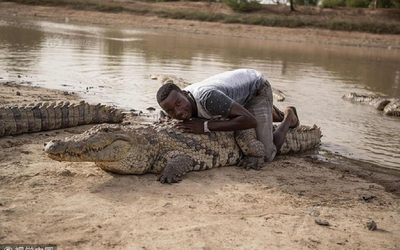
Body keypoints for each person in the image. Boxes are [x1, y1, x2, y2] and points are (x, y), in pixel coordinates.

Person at [156, 69, 299, 163]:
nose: (178, 112)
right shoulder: (174, 99)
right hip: (230, 98)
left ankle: (288, 116)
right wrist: (162, 116)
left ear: (185, 94)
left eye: (179, 104)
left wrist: (206, 126)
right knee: (228, 110)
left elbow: (250, 121)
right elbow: (166, 111)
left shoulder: (208, 98)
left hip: (256, 89)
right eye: (171, 111)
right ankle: (268, 111)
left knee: (267, 154)